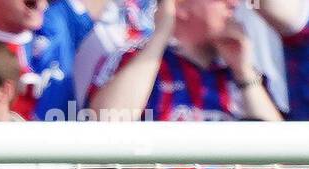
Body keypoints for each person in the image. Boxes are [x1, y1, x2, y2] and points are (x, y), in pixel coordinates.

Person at [86, 0, 281, 122]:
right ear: (179, 5)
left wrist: (244, 72)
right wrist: (161, 33)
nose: (234, 3)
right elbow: (106, 122)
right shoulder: (134, 60)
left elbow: (280, 162)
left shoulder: (241, 73)